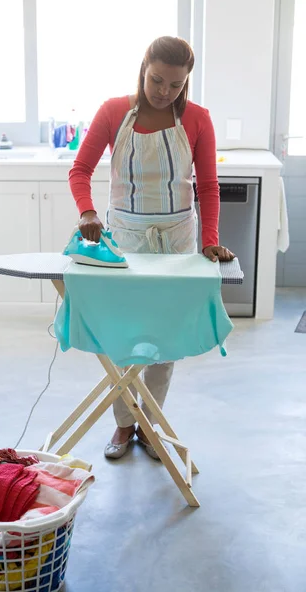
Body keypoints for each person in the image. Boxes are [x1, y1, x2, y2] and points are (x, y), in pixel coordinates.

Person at [68, 36, 235, 460]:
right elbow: (81, 170)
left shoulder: (198, 119)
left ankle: (151, 423)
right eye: (157, 80)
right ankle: (125, 424)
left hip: (177, 241)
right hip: (125, 239)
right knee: (124, 337)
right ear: (143, 68)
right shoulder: (112, 112)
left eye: (175, 85)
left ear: (186, 84)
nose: (164, 91)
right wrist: (87, 212)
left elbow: (209, 186)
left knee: (166, 339)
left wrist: (211, 241)